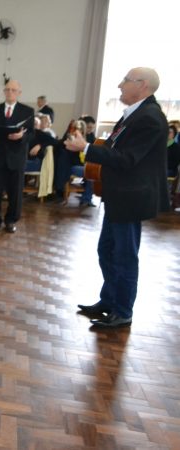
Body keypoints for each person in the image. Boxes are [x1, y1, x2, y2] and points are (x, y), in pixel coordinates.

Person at [64, 67, 170, 328]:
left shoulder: (150, 118)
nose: (120, 85)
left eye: (126, 81)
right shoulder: (133, 115)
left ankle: (123, 311)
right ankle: (109, 300)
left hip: (131, 198)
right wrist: (89, 147)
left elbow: (127, 159)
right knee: (107, 250)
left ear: (142, 85)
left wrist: (86, 148)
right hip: (118, 196)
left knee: (124, 256)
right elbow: (113, 147)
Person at [0, 80, 34, 233]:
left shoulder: (28, 111)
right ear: (4, 92)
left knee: (15, 191)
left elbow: (31, 134)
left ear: (19, 92)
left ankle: (11, 220)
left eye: (13, 90)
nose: (10, 92)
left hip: (17, 157)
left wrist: (21, 137)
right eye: (7, 89)